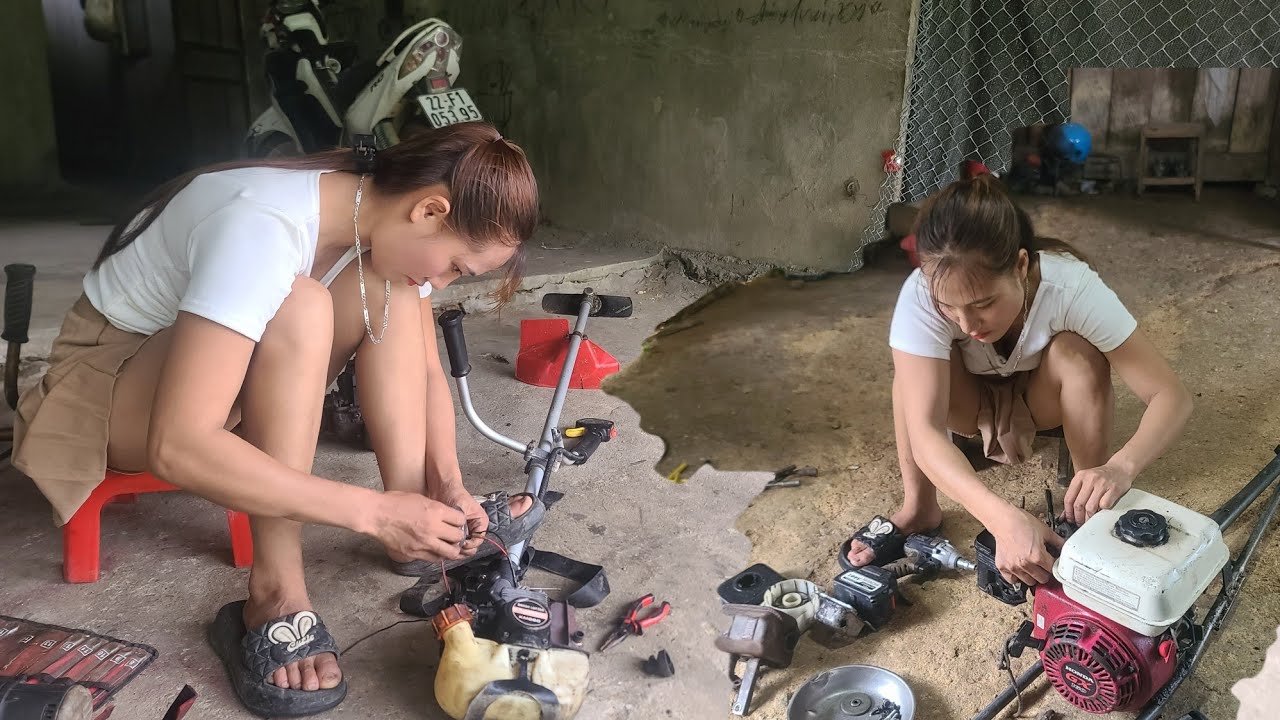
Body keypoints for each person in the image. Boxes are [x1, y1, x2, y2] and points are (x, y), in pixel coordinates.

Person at [12, 121, 543, 717]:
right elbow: (179, 446)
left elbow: (423, 371)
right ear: (430, 210)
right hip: (105, 390)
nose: (443, 283)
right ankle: (275, 593)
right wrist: (372, 513)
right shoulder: (261, 224)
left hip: (208, 375)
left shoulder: (377, 216)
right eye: (456, 268)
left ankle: (418, 511)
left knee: (386, 284)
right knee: (301, 306)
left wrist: (446, 484)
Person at [841, 173, 1193, 588]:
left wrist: (1119, 468)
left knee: (1078, 354)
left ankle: (1087, 508)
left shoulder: (1071, 286)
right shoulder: (920, 295)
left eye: (984, 303)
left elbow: (1170, 395)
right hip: (967, 404)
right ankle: (919, 507)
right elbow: (926, 433)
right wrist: (1002, 519)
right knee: (911, 378)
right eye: (949, 307)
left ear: (1021, 265)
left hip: (1042, 399)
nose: (967, 324)